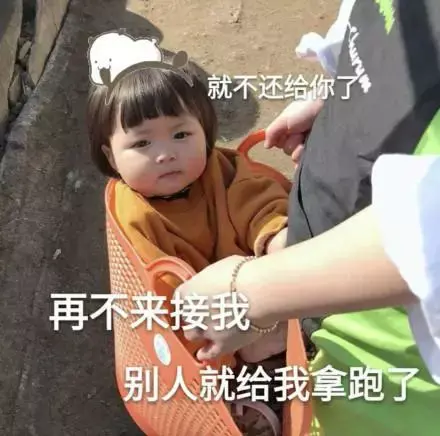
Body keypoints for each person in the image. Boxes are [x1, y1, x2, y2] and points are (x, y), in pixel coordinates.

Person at [175, 0, 440, 434]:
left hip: (395, 371)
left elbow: (426, 234)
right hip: (321, 270)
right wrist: (344, 99)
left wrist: (254, 293)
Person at [86, 64, 291, 364]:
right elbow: (165, 302)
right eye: (142, 143)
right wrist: (222, 362)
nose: (166, 154)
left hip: (255, 292)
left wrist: (276, 237)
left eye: (181, 134)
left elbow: (257, 202)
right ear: (111, 157)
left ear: (205, 133)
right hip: (205, 333)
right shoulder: (135, 217)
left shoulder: (221, 169)